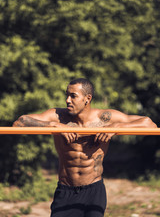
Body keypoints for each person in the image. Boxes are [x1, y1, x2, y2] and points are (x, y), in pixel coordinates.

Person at [13, 78, 157, 217]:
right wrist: (52, 126)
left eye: (73, 96)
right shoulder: (57, 117)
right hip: (65, 190)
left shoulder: (104, 118)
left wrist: (116, 127)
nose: (67, 100)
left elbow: (149, 124)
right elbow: (20, 122)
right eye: (67, 95)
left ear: (87, 98)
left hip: (94, 190)